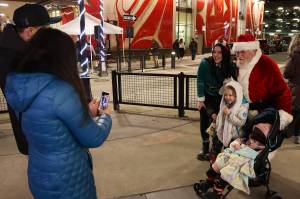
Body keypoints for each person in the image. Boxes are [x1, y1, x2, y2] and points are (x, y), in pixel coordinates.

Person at [5, 28, 112, 199]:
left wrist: (87, 112)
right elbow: (94, 137)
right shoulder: (61, 91)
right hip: (68, 180)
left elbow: (49, 124)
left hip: (39, 175)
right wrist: (105, 115)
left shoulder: (18, 85)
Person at [0, 3, 61, 155]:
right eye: (46, 29)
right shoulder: (14, 57)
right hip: (38, 135)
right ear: (29, 31)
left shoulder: (24, 49)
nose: (50, 33)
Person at [199, 123, 272, 197]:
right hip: (231, 157)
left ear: (261, 144)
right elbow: (235, 143)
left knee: (226, 174)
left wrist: (242, 150)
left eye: (256, 141)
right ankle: (209, 181)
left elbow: (250, 160)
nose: (252, 141)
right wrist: (236, 144)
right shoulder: (246, 141)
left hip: (238, 164)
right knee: (216, 165)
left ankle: (217, 192)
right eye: (252, 138)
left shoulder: (258, 152)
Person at [232, 34, 292, 121]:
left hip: (263, 115)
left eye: (243, 52)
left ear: (253, 50)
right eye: (237, 52)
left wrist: (283, 117)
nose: (239, 55)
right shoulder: (237, 66)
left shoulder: (266, 64)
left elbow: (282, 92)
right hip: (241, 115)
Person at [196, 43, 236, 161]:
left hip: (221, 99)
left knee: (218, 122)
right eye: (214, 52)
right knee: (204, 121)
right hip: (207, 97)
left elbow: (235, 82)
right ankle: (205, 146)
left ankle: (215, 148)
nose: (216, 55)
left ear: (224, 54)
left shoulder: (229, 66)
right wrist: (200, 100)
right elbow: (200, 81)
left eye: (219, 52)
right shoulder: (205, 63)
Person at [215, 80, 249, 150]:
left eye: (230, 95)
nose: (227, 97)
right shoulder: (226, 105)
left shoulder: (242, 108)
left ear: (237, 95)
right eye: (225, 95)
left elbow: (241, 122)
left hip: (235, 138)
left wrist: (229, 114)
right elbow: (221, 117)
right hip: (226, 135)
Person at [283, 33, 300, 144]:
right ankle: (298, 135)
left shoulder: (295, 55)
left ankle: (290, 133)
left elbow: (286, 73)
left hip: (296, 89)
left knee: (293, 113)